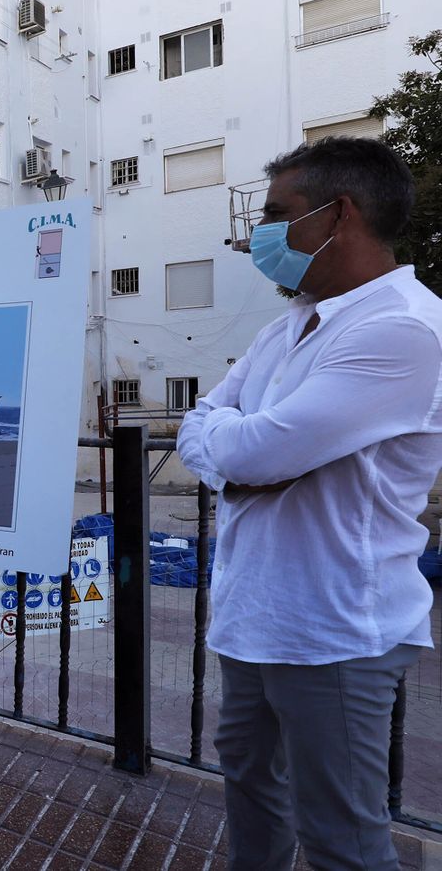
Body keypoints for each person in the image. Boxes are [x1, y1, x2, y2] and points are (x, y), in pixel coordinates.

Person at [176, 136, 441, 871]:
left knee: (342, 838)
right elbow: (207, 428)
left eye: (276, 215)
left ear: (339, 215)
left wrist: (243, 451)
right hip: (254, 618)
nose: (258, 235)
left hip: (334, 631)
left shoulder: (401, 329)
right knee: (251, 791)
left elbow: (256, 451)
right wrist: (239, 455)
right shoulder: (289, 322)